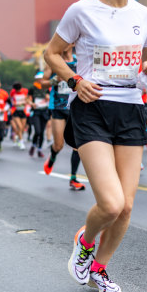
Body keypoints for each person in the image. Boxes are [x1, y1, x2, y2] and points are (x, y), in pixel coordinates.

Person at [44, 0, 147, 292]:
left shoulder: (145, 16)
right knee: (110, 203)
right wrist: (75, 81)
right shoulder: (81, 11)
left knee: (126, 207)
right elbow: (51, 53)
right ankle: (85, 241)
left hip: (130, 109)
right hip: (92, 107)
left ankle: (99, 267)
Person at [43, 48, 85, 190]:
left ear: (73, 43)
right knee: (59, 145)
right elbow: (41, 83)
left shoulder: (79, 60)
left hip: (75, 108)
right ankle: (53, 155)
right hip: (58, 108)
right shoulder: (54, 61)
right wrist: (55, 80)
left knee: (77, 145)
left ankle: (73, 178)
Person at [9, 82, 29, 149]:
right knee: (19, 126)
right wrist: (18, 103)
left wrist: (26, 102)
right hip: (15, 111)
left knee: (22, 128)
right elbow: (12, 102)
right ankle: (21, 142)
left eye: (19, 90)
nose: (19, 91)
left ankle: (17, 136)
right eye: (17, 90)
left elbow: (27, 99)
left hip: (23, 111)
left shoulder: (25, 91)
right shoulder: (12, 92)